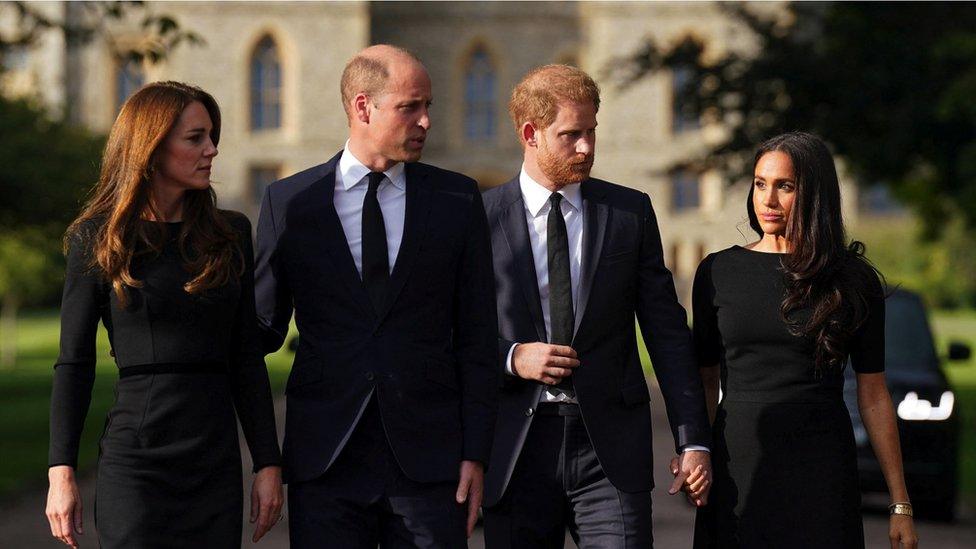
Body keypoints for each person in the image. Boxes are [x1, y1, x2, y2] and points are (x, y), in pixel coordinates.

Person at [253, 45, 497, 548]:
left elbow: (478, 336)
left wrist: (476, 452)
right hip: (325, 461)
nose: (426, 120)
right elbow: (258, 333)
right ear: (363, 107)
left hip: (431, 464)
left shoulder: (457, 200)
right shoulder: (291, 204)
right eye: (411, 107)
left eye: (427, 105)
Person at [481, 64, 713, 548]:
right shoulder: (479, 220)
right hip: (515, 450)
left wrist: (692, 439)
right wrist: (512, 356)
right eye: (571, 135)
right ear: (530, 133)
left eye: (591, 132)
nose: (587, 147)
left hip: (609, 452)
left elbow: (667, 333)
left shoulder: (630, 213)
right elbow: (447, 332)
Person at [45, 81, 283, 549]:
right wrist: (61, 473)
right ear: (151, 147)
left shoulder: (230, 234)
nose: (211, 150)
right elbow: (74, 363)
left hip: (213, 462)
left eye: (212, 136)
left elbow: (246, 360)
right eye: (195, 138)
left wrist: (267, 463)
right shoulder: (97, 238)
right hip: (136, 462)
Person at [690, 132, 918, 548]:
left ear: (814, 193)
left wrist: (899, 502)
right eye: (760, 183)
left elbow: (872, 394)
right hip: (737, 465)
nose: (768, 200)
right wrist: (696, 453)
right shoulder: (717, 272)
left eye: (785, 186)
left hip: (821, 470)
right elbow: (704, 380)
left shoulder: (852, 280)